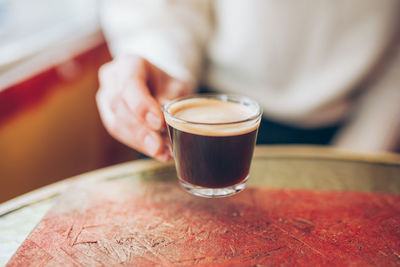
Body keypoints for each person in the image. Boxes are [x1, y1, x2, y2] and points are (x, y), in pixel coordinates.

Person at [96, 0, 400, 162]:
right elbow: (164, 12)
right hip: (195, 111)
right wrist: (158, 58)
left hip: (344, 125)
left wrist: (359, 154)